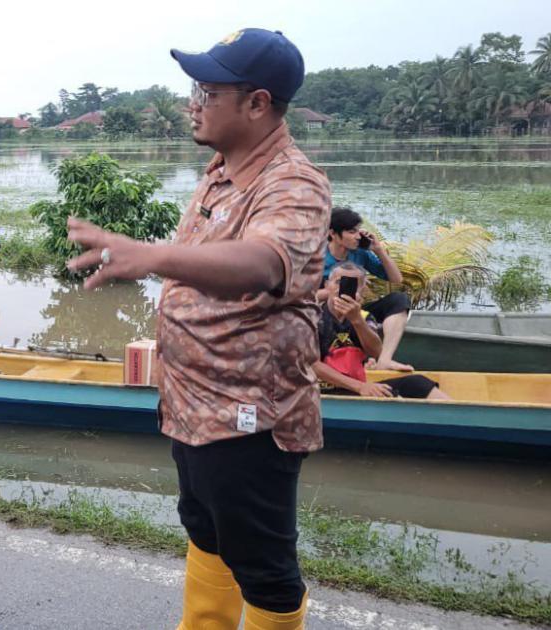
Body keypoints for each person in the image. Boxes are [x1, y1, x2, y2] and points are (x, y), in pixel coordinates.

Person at [65, 28, 327, 630]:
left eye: (208, 91)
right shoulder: (221, 171)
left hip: (249, 415)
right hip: (194, 408)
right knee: (207, 534)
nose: (193, 103)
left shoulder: (292, 182)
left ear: (257, 103)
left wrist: (153, 255)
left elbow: (266, 262)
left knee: (263, 567)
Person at [315, 263, 449, 399]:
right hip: (317, 392)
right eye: (338, 282)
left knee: (417, 383)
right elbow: (311, 364)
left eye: (353, 284)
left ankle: (459, 417)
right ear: (327, 286)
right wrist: (360, 386)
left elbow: (376, 352)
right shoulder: (312, 317)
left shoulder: (363, 317)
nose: (341, 289)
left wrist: (357, 320)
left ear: (362, 289)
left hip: (355, 391)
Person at [320, 206, 413, 371]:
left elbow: (396, 279)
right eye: (351, 232)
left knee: (399, 299)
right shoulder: (317, 257)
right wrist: (333, 290)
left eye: (358, 231)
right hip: (326, 313)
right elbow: (302, 295)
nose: (357, 236)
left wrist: (379, 250)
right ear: (332, 233)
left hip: (356, 312)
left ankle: (384, 359)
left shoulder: (361, 254)